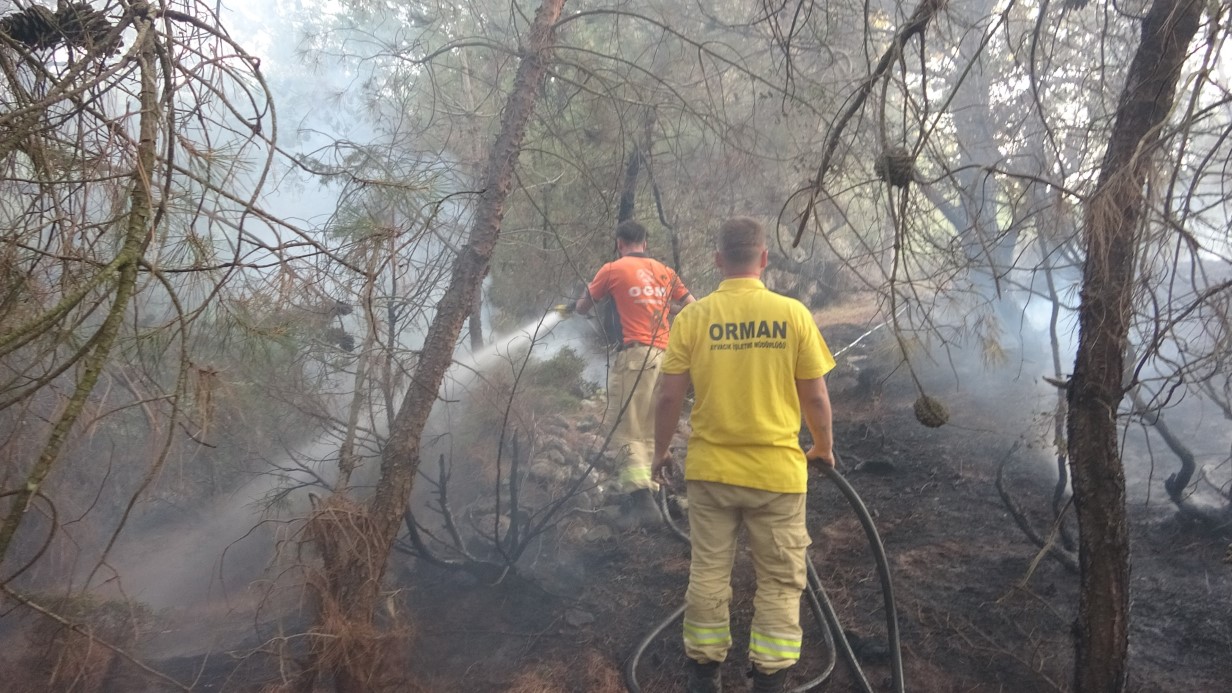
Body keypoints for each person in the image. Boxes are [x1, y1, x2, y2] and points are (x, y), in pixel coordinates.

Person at [651, 216, 836, 693]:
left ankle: (703, 673)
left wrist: (660, 452)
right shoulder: (793, 314)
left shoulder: (692, 319)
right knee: (779, 581)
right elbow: (816, 397)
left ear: (718, 260)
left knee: (709, 572)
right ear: (765, 258)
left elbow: (668, 397)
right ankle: (770, 679)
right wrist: (823, 447)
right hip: (777, 476)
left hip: (710, 474)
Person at [574, 219, 694, 530]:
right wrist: (665, 309)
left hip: (635, 358)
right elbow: (693, 308)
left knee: (626, 428)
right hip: (666, 358)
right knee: (653, 427)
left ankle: (641, 502)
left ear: (619, 243)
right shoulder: (665, 272)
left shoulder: (613, 269)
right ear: (645, 242)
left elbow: (583, 307)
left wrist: (580, 299)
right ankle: (654, 494)